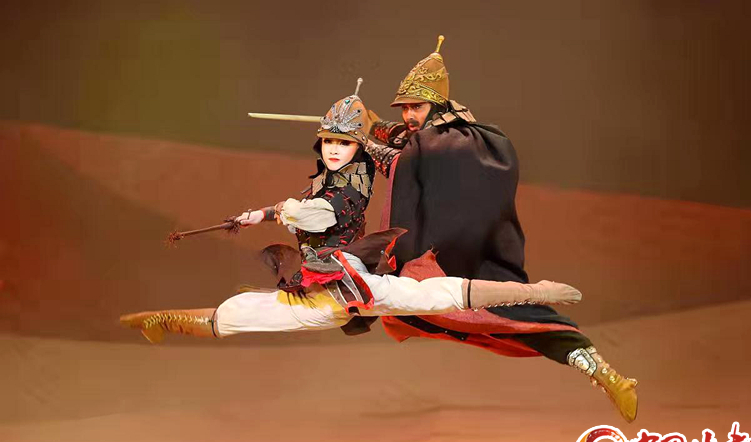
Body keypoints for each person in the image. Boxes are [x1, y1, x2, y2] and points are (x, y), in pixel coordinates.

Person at [120, 87, 583, 346]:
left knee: (440, 295)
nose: (334, 150)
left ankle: (535, 292)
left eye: (343, 143)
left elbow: (316, 216)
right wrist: (253, 215)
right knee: (239, 312)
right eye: (328, 142)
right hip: (316, 294)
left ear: (357, 148)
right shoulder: (323, 184)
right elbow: (295, 209)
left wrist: (282, 212)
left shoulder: (349, 189)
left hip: (352, 280)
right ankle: (164, 321)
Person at [365, 37, 639, 423]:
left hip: (453, 261)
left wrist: (362, 137)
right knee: (517, 319)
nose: (410, 115)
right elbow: (410, 151)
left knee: (511, 317)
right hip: (463, 261)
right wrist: (376, 130)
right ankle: (603, 372)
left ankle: (606, 375)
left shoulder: (444, 145)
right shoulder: (470, 138)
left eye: (417, 107)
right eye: (405, 108)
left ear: (437, 105)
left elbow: (405, 161)